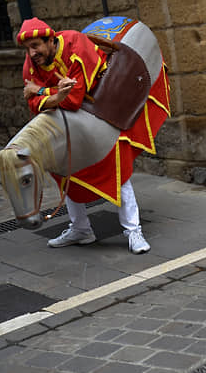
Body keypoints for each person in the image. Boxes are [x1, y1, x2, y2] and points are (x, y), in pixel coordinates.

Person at [17, 17, 160, 254]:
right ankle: (81, 229)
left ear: (50, 40)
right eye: (27, 48)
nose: (31, 54)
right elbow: (33, 105)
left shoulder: (75, 47)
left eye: (35, 46)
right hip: (71, 118)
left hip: (103, 108)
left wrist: (42, 92)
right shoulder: (32, 63)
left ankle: (133, 231)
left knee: (116, 167)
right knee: (65, 169)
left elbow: (71, 100)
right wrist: (54, 95)